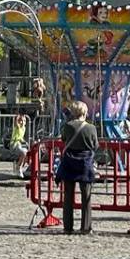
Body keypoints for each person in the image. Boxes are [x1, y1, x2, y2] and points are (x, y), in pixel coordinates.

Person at [56, 100, 98, 235]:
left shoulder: (68, 126)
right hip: (85, 163)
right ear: (85, 112)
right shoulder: (91, 128)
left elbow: (64, 139)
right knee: (86, 196)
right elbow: (95, 145)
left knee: (68, 196)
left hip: (69, 162)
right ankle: (86, 227)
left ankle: (68, 226)